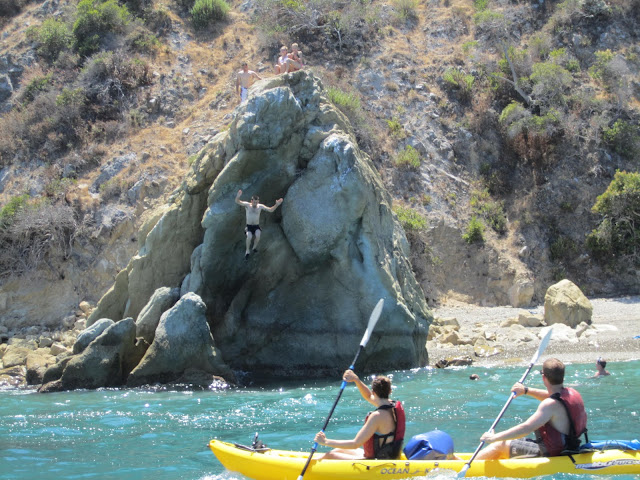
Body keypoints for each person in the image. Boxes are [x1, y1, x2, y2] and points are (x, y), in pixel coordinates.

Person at [476, 358, 588, 460]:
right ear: (562, 376)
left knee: (500, 444)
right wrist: (525, 390)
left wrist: (494, 438)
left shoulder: (549, 405)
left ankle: (468, 467)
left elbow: (526, 428)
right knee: (507, 443)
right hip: (570, 447)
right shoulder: (573, 393)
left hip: (552, 453)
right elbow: (553, 397)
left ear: (544, 377)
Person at [314, 370, 406, 460]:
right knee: (338, 450)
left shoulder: (377, 416)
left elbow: (355, 444)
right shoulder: (392, 406)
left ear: (373, 392)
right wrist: (356, 380)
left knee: (330, 455)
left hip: (378, 462)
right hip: (389, 456)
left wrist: (325, 441)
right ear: (390, 391)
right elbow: (368, 396)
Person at [235, 190, 283, 259]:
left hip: (256, 226)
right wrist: (238, 196)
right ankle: (247, 250)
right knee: (249, 236)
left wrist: (277, 205)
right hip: (249, 226)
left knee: (258, 235)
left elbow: (271, 210)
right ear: (251, 201)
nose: (255, 204)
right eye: (254, 202)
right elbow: (237, 201)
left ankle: (254, 248)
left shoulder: (260, 206)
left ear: (258, 202)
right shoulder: (247, 205)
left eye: (257, 202)